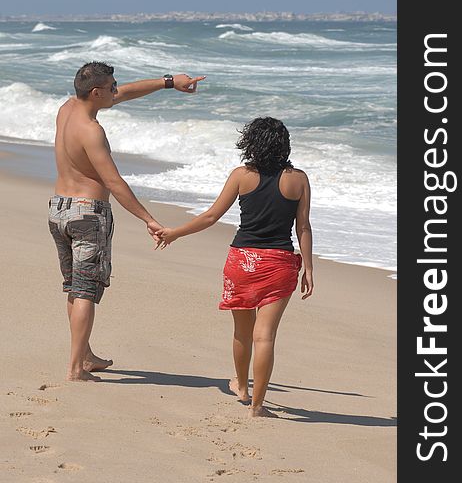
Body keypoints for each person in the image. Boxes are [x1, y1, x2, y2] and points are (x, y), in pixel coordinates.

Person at [48, 61, 205, 382]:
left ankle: (85, 354)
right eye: (111, 87)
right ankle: (76, 368)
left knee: (75, 288)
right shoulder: (92, 131)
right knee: (86, 291)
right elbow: (115, 183)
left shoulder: (68, 108)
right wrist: (148, 219)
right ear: (96, 92)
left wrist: (168, 82)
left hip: (57, 209)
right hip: (87, 214)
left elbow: (126, 92)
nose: (117, 90)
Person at [155, 117, 314, 417]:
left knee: (243, 332)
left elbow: (211, 216)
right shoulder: (299, 179)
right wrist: (309, 268)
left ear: (251, 143)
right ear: (284, 144)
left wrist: (175, 232)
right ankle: (258, 405)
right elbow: (303, 227)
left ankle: (242, 387)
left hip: (241, 261)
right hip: (278, 263)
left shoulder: (241, 176)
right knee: (265, 336)